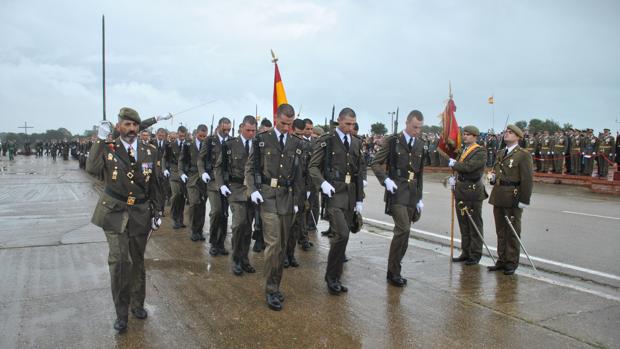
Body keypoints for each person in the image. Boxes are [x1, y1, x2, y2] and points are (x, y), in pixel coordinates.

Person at [86, 107, 164, 332]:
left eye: (135, 125)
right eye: (127, 124)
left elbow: (156, 183)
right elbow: (92, 168)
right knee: (120, 262)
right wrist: (100, 140)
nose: (131, 129)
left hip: (140, 212)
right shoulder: (109, 148)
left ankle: (137, 303)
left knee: (137, 261)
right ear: (118, 126)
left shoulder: (150, 151)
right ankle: (121, 314)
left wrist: (158, 212)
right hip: (114, 211)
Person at [245, 104, 305, 311]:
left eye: (290, 124)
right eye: (283, 123)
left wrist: (298, 201)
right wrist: (252, 189)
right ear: (276, 118)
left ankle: (276, 285)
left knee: (283, 246)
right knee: (274, 244)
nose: (287, 127)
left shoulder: (297, 143)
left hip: (287, 199)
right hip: (268, 197)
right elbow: (251, 167)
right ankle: (270, 290)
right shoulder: (262, 140)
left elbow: (299, 175)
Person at [309, 107, 365, 294]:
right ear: (339, 121)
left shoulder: (356, 143)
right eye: (347, 124)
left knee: (344, 236)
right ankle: (332, 277)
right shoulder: (327, 141)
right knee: (342, 234)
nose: (350, 127)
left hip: (350, 194)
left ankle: (335, 277)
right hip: (333, 193)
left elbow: (358, 172)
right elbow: (313, 167)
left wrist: (359, 199)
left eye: (353, 124)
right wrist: (322, 183)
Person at [370, 110, 425, 287]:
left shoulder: (420, 144)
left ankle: (394, 268)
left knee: (405, 234)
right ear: (407, 123)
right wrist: (385, 180)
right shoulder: (393, 141)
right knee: (403, 229)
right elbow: (375, 163)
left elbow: (420, 173)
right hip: (396, 191)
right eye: (415, 127)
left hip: (412, 193)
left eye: (420, 128)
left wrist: (420, 197)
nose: (417, 131)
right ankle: (394, 271)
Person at [487, 124, 533, 275]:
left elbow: (527, 179)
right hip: (499, 193)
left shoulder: (523, 155)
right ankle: (502, 259)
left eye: (510, 132)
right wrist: (493, 178)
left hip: (513, 196)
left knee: (512, 230)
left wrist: (524, 200)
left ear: (518, 137)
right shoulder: (501, 152)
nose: (506, 134)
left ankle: (511, 262)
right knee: (500, 230)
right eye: (506, 132)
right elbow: (497, 171)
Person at [216, 115, 257, 275]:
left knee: (248, 227)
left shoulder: (258, 144)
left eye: (253, 130)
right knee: (239, 224)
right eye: (248, 130)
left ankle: (244, 259)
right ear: (241, 128)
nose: (251, 133)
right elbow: (219, 167)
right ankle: (236, 260)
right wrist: (221, 185)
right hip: (236, 188)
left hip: (252, 191)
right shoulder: (230, 145)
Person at [447, 126, 488, 265]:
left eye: (468, 135)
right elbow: (460, 168)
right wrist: (454, 179)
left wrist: (456, 165)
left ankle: (475, 254)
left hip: (473, 190)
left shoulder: (480, 151)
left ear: (475, 136)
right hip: (461, 189)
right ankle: (466, 252)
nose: (465, 137)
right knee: (463, 223)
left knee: (474, 223)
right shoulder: (463, 150)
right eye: (464, 134)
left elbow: (470, 167)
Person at [199, 118, 232, 256]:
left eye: (228, 130)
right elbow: (201, 158)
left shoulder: (232, 141)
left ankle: (221, 243)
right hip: (212, 181)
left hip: (227, 182)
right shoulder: (209, 140)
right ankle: (213, 242)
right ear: (219, 127)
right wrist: (202, 173)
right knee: (216, 211)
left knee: (224, 213)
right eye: (224, 129)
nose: (226, 132)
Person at [179, 124, 208, 241]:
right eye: (200, 136)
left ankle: (199, 230)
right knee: (194, 203)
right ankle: (193, 229)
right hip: (192, 176)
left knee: (202, 205)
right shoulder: (188, 145)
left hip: (205, 178)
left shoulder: (209, 145)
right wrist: (181, 173)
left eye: (204, 136)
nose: (202, 138)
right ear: (196, 134)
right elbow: (181, 160)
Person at [163, 126, 187, 229]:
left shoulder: (188, 145)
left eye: (183, 136)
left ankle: (180, 220)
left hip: (185, 175)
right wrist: (164, 169)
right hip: (173, 173)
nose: (182, 137)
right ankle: (174, 217)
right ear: (177, 134)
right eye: (180, 135)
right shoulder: (171, 145)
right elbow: (164, 158)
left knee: (182, 198)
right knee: (176, 195)